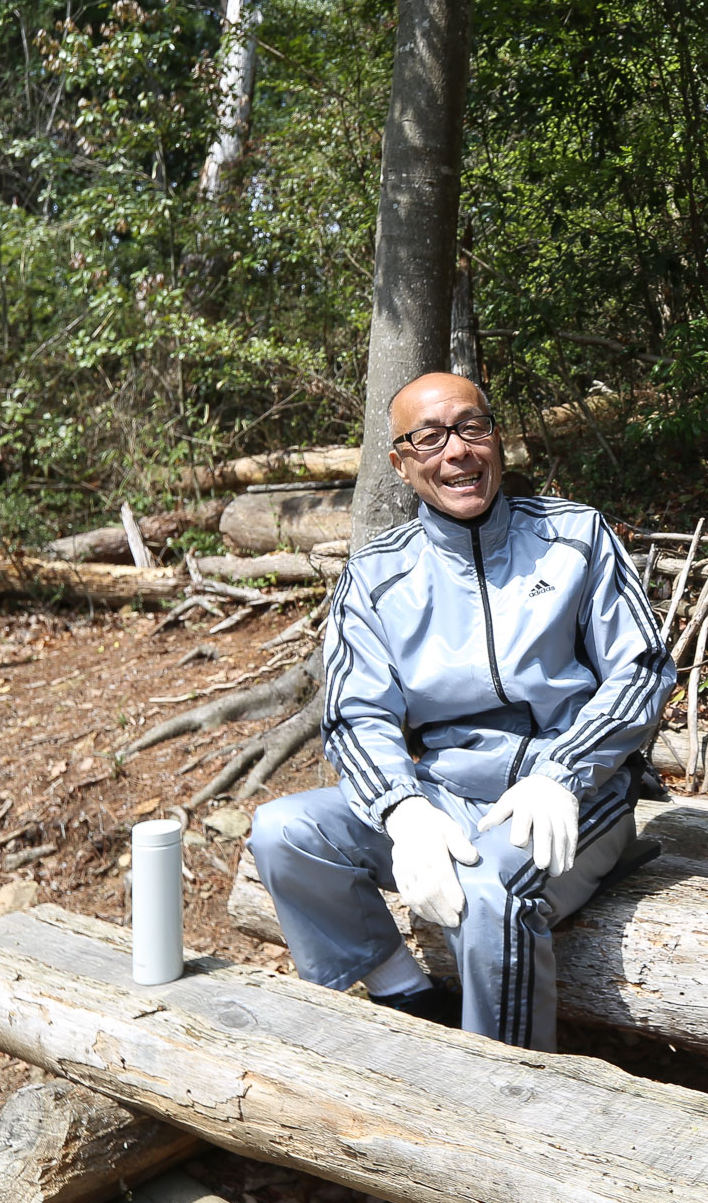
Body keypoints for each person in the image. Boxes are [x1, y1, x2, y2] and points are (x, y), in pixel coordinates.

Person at [250, 371, 676, 1051]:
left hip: (572, 795)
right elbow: (355, 716)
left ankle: (505, 1086)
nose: (457, 452)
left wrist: (562, 769)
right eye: (430, 437)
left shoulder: (575, 536)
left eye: (471, 427)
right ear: (401, 463)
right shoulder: (377, 574)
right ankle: (407, 996)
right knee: (285, 832)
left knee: (485, 893)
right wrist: (403, 808)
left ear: (496, 437)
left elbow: (642, 669)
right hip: (446, 794)